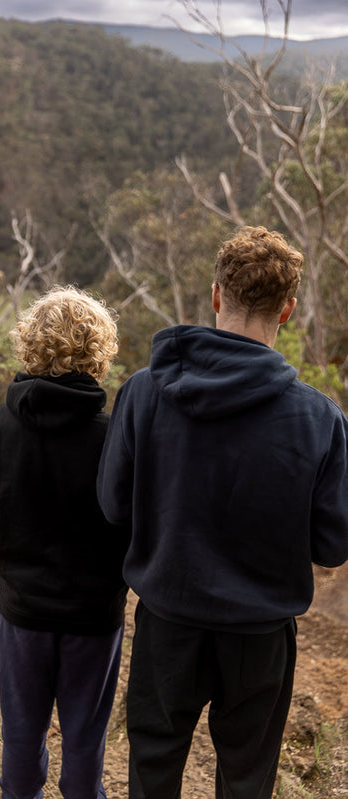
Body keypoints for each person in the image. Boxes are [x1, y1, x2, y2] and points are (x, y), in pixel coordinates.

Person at [97, 225, 348, 799]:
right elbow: (333, 544)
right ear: (286, 309)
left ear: (215, 295)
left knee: (152, 774)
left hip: (167, 624)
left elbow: (113, 505)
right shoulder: (320, 420)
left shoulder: (141, 393)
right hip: (260, 636)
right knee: (246, 781)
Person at [0, 286, 129, 799]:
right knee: (84, 742)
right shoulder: (113, 437)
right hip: (94, 621)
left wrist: (17, 548)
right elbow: (131, 525)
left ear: (30, 345)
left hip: (22, 614)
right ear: (97, 353)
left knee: (19, 737)